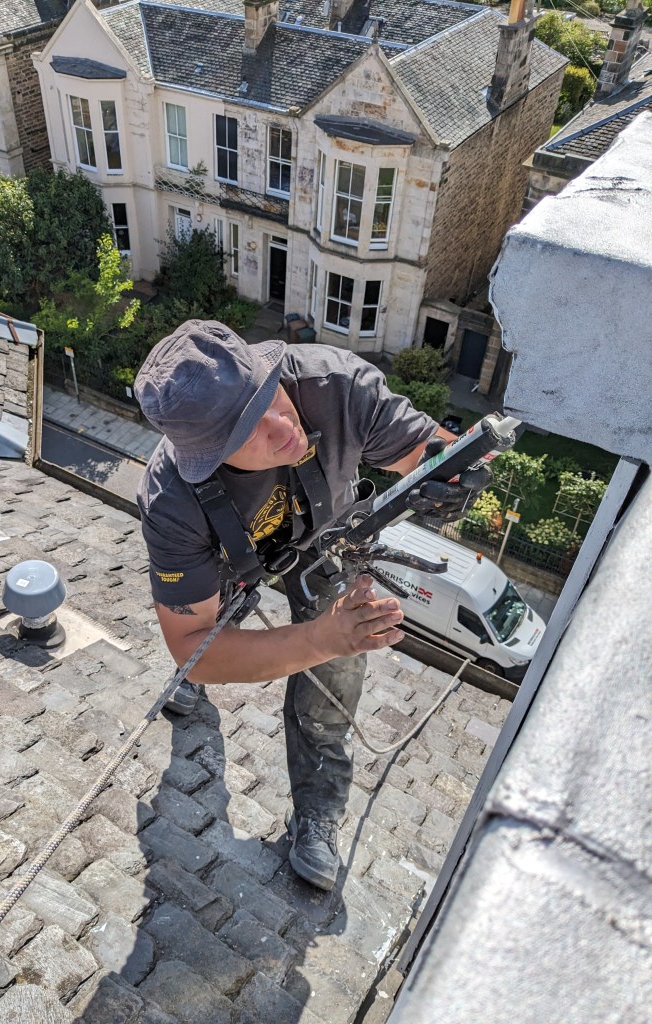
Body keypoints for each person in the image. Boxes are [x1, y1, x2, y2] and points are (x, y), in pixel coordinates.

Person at [135, 320, 489, 891]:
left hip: (331, 534)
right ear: (208, 457)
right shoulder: (173, 501)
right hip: (234, 559)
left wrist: (449, 473)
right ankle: (200, 683)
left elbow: (424, 453)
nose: (282, 427)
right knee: (222, 631)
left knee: (335, 679)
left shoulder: (335, 385)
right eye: (248, 432)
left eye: (269, 395)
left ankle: (316, 810)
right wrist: (315, 637)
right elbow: (196, 645)